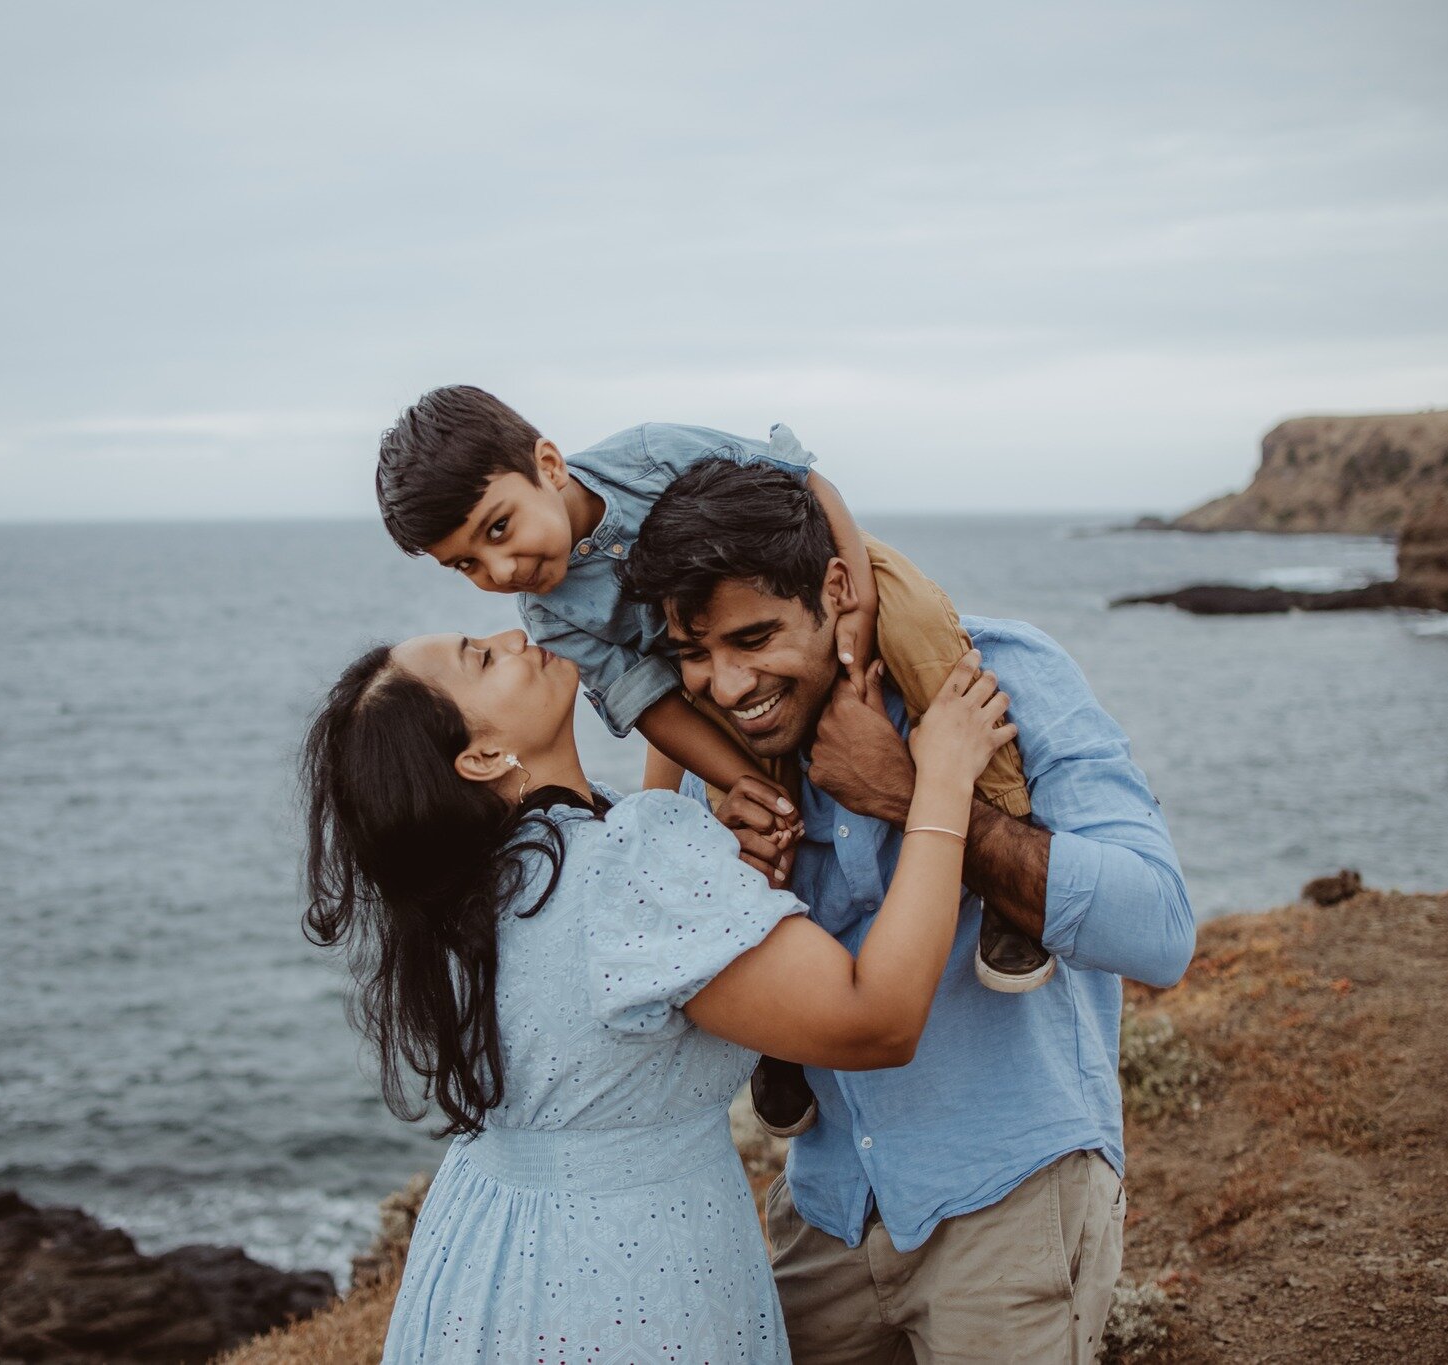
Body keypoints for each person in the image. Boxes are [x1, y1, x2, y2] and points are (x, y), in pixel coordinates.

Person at [301, 622, 1014, 1363]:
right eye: (482, 658)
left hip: (487, 1263)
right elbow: (878, 1019)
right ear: (480, 756)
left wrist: (706, 846)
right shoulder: (624, 868)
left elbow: (616, 971)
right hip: (631, 1272)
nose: (514, 632)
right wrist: (941, 781)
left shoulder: (470, 890)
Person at [621, 457, 1196, 1364]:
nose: (727, 685)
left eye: (755, 637)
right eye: (695, 655)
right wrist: (727, 889)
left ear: (836, 588)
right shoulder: (725, 754)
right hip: (825, 1211)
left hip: (1013, 1202)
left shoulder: (1001, 674)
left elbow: (1160, 931)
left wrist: (916, 792)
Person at [373, 385, 1052, 1142]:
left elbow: (800, 479)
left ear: (549, 464)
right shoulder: (550, 614)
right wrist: (746, 778)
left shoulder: (646, 455)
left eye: (499, 528)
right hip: (715, 672)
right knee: (756, 825)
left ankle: (1009, 877)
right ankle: (779, 1027)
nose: (500, 570)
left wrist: (855, 596)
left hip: (821, 574)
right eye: (466, 563)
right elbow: (654, 705)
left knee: (927, 641)